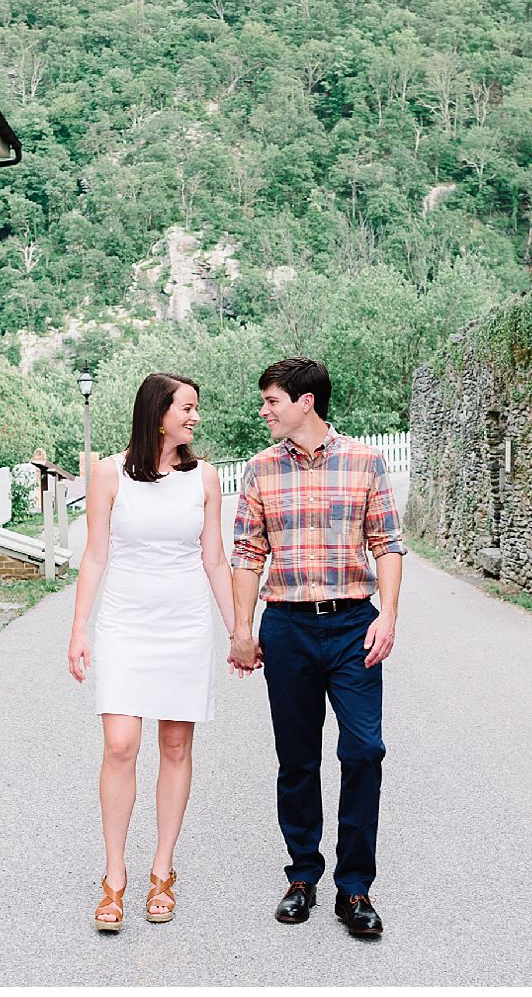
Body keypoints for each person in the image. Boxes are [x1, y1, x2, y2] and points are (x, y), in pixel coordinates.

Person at [228, 356, 405, 938]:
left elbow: (387, 543)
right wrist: (242, 630)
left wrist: (389, 616)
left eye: (272, 401)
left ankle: (355, 888)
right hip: (287, 627)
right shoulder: (260, 470)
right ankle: (302, 875)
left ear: (305, 402)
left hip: (354, 623)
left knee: (364, 751)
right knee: (297, 758)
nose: (264, 411)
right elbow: (248, 554)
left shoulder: (364, 461)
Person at [67, 372, 242, 933]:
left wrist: (239, 629)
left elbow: (214, 559)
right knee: (120, 744)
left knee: (174, 744)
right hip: (125, 624)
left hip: (185, 626)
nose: (195, 417)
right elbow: (95, 555)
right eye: (187, 408)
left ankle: (162, 870)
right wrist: (79, 629)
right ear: (158, 412)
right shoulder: (109, 473)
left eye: (195, 408)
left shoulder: (204, 478)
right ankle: (114, 875)